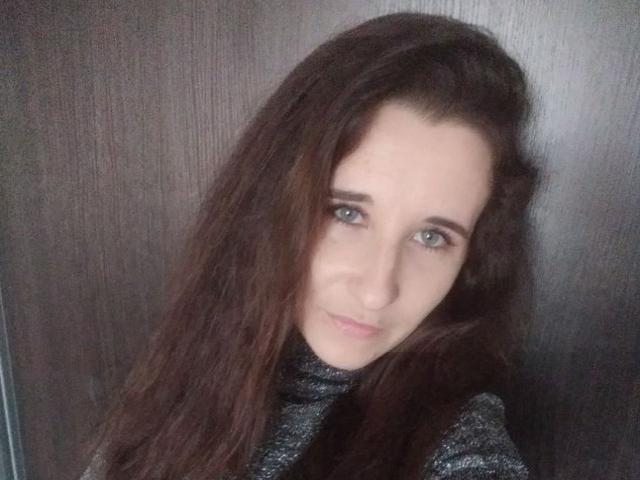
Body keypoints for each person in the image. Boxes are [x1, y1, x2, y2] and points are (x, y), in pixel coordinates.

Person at [80, 11, 539, 480]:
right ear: (271, 201)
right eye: (347, 213)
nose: (376, 291)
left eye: (431, 237)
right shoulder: (177, 375)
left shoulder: (459, 446)